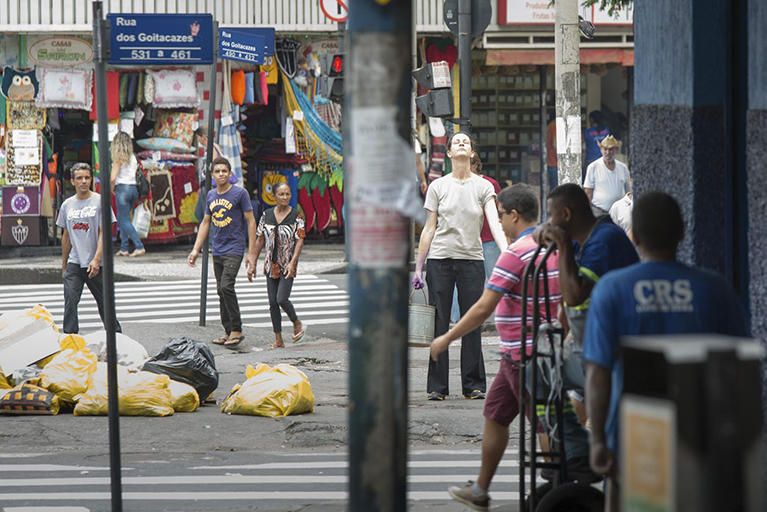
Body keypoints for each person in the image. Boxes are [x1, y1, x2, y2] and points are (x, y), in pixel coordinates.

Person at [583, 192, 748, 511]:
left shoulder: (612, 289)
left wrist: (599, 439)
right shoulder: (715, 289)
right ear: (682, 232)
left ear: (636, 237)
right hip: (700, 435)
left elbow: (598, 372)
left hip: (633, 436)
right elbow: (737, 370)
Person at [430, 184, 557, 510]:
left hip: (524, 356)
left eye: (500, 216)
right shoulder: (551, 248)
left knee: (542, 421)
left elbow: (483, 308)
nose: (498, 222)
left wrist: (446, 337)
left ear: (514, 215)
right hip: (525, 353)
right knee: (496, 416)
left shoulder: (515, 253)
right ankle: (481, 489)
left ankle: (561, 489)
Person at [533, 184, 639, 472]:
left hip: (610, 357)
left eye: (553, 216)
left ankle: (583, 450)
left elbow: (575, 294)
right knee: (543, 377)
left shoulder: (603, 240)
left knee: (536, 372)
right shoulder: (584, 238)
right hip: (590, 348)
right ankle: (575, 452)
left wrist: (562, 245)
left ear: (566, 214)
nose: (551, 221)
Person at [413, 132, 508, 401]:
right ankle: (437, 387)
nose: (462, 144)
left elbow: (495, 225)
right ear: (451, 154)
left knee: (472, 322)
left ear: (472, 153)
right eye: (457, 142)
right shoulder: (438, 186)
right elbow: (429, 228)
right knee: (440, 323)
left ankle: (474, 384)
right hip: (439, 260)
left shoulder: (484, 187)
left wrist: (508, 254)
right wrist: (419, 267)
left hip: (472, 261)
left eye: (466, 141)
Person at [188, 157, 256, 348]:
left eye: (224, 171)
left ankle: (237, 329)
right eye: (217, 171)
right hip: (217, 248)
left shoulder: (240, 193)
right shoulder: (210, 195)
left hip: (234, 248)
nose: (221, 174)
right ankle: (227, 331)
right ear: (212, 175)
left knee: (226, 286)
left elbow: (251, 221)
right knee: (220, 291)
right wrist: (195, 250)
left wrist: (251, 253)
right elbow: (206, 223)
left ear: (230, 173)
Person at [57, 163, 122, 335]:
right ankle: (70, 340)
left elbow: (104, 233)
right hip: (75, 262)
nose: (84, 181)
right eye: (79, 178)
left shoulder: (100, 202)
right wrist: (64, 264)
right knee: (70, 301)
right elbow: (66, 236)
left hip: (96, 264)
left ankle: (116, 337)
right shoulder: (66, 205)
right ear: (72, 181)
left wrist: (96, 259)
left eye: (87, 177)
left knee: (105, 303)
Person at [248, 181, 307, 349]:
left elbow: (300, 240)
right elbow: (259, 240)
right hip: (270, 265)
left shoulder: (296, 216)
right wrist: (252, 262)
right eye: (281, 194)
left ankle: (296, 322)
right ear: (274, 196)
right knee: (273, 302)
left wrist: (293, 262)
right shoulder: (266, 215)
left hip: (287, 264)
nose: (285, 197)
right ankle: (278, 339)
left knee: (282, 298)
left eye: (288, 194)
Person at [451, 153, 501, 323]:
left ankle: (501, 317)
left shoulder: (490, 184)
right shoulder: (454, 184)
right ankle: (459, 320)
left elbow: (498, 213)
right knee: (460, 279)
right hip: (465, 239)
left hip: (488, 239)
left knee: (495, 277)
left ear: (474, 165)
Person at [109, 131, 146, 257]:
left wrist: (112, 189)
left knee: (124, 220)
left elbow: (113, 178)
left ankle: (139, 246)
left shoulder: (118, 158)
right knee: (122, 218)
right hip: (133, 189)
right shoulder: (134, 156)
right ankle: (124, 248)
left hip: (122, 189)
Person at [583, 135, 631, 215]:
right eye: (605, 149)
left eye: (611, 149)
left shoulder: (623, 168)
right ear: (601, 150)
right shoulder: (593, 167)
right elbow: (588, 192)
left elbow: (628, 191)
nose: (608, 152)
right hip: (599, 212)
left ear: (617, 150)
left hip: (619, 213)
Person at [194, 126, 225, 223]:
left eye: (198, 137)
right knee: (200, 213)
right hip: (207, 185)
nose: (198, 140)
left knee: (206, 214)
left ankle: (210, 236)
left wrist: (210, 185)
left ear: (203, 136)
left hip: (210, 186)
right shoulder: (215, 147)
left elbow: (213, 167)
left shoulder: (212, 149)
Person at [546, 114, 558, 192]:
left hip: (550, 161)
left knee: (553, 186)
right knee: (556, 188)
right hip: (555, 162)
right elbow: (555, 144)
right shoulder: (555, 126)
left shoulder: (549, 126)